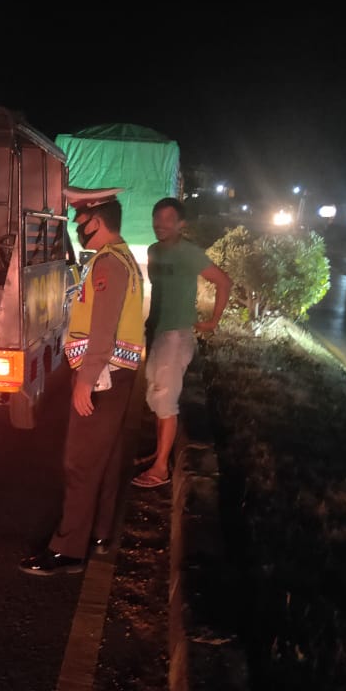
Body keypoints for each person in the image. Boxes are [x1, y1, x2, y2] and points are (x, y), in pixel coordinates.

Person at [20, 187, 145, 576]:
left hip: (103, 376)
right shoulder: (122, 258)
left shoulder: (108, 264)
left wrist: (85, 380)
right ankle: (99, 533)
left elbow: (103, 330)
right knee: (104, 461)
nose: (76, 227)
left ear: (98, 221)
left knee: (80, 463)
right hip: (119, 376)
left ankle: (68, 550)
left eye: (81, 220)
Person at [131, 197, 232, 489]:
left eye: (167, 219)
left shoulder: (189, 253)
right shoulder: (153, 251)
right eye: (156, 218)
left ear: (181, 224)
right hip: (157, 330)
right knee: (156, 394)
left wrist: (213, 321)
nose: (160, 224)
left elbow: (224, 281)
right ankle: (159, 453)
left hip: (176, 334)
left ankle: (161, 468)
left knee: (165, 400)